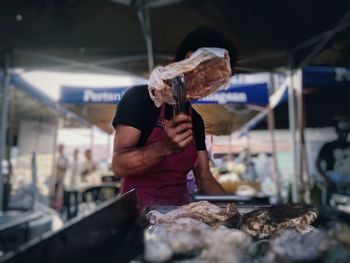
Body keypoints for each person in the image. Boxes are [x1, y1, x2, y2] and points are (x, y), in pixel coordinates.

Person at [112, 27, 238, 209]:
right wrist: (162, 148)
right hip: (138, 216)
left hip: (179, 217)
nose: (211, 86)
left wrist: (234, 211)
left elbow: (205, 178)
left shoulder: (195, 119)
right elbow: (119, 165)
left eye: (218, 81)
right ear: (190, 60)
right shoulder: (140, 98)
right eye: (211, 76)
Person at [316, 118, 350, 203]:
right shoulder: (328, 146)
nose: (344, 134)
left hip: (348, 182)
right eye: (342, 131)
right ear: (337, 131)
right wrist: (326, 178)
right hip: (332, 181)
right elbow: (317, 163)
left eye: (346, 131)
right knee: (330, 206)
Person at [54, 144, 69, 211]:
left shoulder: (65, 158)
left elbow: (65, 167)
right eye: (59, 148)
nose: (59, 150)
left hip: (62, 178)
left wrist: (59, 166)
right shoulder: (57, 158)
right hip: (57, 178)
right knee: (56, 192)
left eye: (61, 148)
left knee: (61, 193)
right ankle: (56, 206)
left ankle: (61, 207)